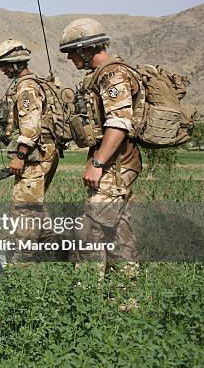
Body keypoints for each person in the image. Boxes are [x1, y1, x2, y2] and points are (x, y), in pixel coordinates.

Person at [59, 18, 141, 270]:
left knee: (90, 230)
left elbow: (119, 122)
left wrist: (98, 162)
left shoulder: (112, 74)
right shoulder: (100, 75)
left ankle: (87, 296)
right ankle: (127, 297)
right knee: (118, 229)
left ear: (87, 49)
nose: (71, 58)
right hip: (116, 165)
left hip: (114, 166)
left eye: (73, 52)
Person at [0, 39, 59, 260]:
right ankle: (56, 254)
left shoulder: (27, 88)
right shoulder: (31, 84)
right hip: (42, 155)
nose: (1, 70)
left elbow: (30, 127)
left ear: (14, 64)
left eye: (3, 65)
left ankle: (23, 262)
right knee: (35, 208)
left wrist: (20, 156)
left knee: (23, 210)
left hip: (35, 157)